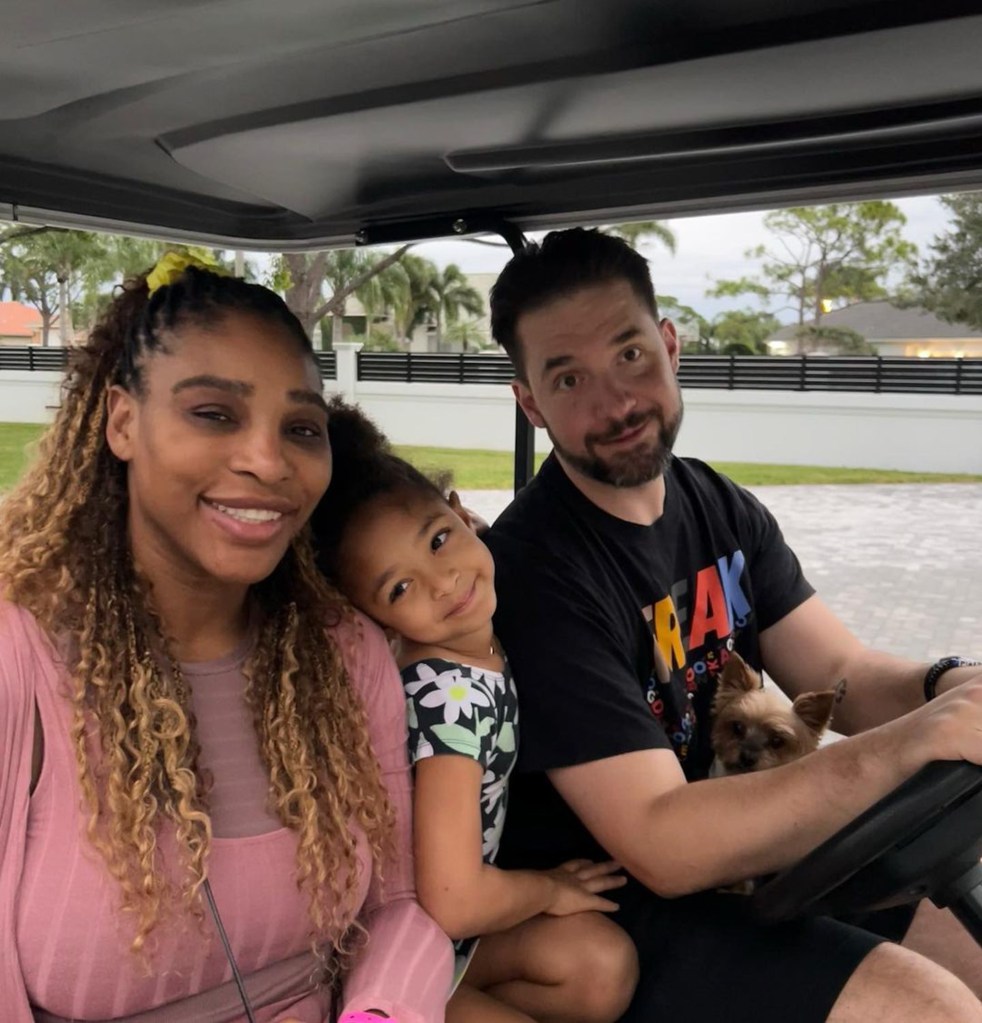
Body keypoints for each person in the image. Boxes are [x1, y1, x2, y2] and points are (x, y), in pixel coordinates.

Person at [483, 227, 982, 1023]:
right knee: (926, 1007)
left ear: (670, 344)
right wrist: (918, 740)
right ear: (530, 402)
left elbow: (844, 671)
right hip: (613, 906)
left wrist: (951, 684)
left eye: (630, 355)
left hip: (747, 861)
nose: (614, 402)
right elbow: (661, 841)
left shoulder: (718, 505)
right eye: (569, 377)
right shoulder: (533, 572)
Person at [0, 253, 452, 1023]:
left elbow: (401, 900)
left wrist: (382, 1012)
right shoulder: (22, 656)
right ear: (121, 422)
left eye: (301, 427)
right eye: (214, 413)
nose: (267, 461)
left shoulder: (344, 652)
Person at [310, 400, 639, 1023]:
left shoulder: (475, 637)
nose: (442, 583)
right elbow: (454, 898)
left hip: (446, 935)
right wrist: (550, 889)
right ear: (374, 620)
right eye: (398, 589)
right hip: (406, 945)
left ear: (463, 513)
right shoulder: (447, 702)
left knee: (601, 966)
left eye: (438, 540)